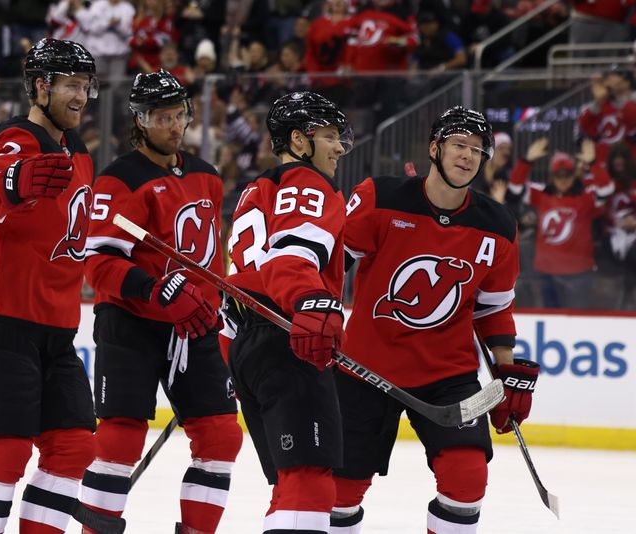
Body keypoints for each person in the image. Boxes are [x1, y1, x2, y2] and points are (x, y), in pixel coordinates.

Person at [332, 106, 538, 533]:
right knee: (340, 492)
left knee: (467, 479)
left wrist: (505, 369)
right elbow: (331, 267)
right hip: (365, 369)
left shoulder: (497, 225)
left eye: (477, 150)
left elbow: (494, 307)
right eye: (458, 145)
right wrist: (315, 313)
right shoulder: (380, 197)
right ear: (434, 148)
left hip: (449, 375)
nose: (467, 156)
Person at [79, 69, 243, 534]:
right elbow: (100, 264)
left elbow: (211, 253)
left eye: (179, 114)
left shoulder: (207, 177)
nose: (174, 125)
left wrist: (218, 299)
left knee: (220, 436)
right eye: (162, 117)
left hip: (195, 326)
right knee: (119, 441)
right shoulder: (120, 180)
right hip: (131, 323)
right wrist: (154, 289)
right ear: (141, 120)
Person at [0, 38, 101, 534]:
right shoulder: (17, 138)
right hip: (2, 314)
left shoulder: (78, 154)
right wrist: (12, 183)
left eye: (86, 86)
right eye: (71, 85)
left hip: (55, 324)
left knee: (74, 444)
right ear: (41, 85)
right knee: (7, 448)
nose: (81, 96)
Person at [222, 91, 353, 533]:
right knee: (309, 482)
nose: (340, 147)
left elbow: (243, 280)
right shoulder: (306, 181)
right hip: (289, 336)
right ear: (299, 140)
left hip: (251, 346)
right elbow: (291, 259)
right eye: (331, 136)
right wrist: (310, 303)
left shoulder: (256, 190)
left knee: (287, 483)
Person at [508, 137, 611, 309]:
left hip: (579, 273)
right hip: (546, 272)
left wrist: (593, 162)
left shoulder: (586, 198)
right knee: (549, 320)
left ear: (573, 175)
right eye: (558, 175)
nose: (563, 179)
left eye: (567, 175)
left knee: (577, 322)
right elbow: (514, 188)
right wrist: (527, 160)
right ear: (552, 176)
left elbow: (606, 189)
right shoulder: (542, 196)